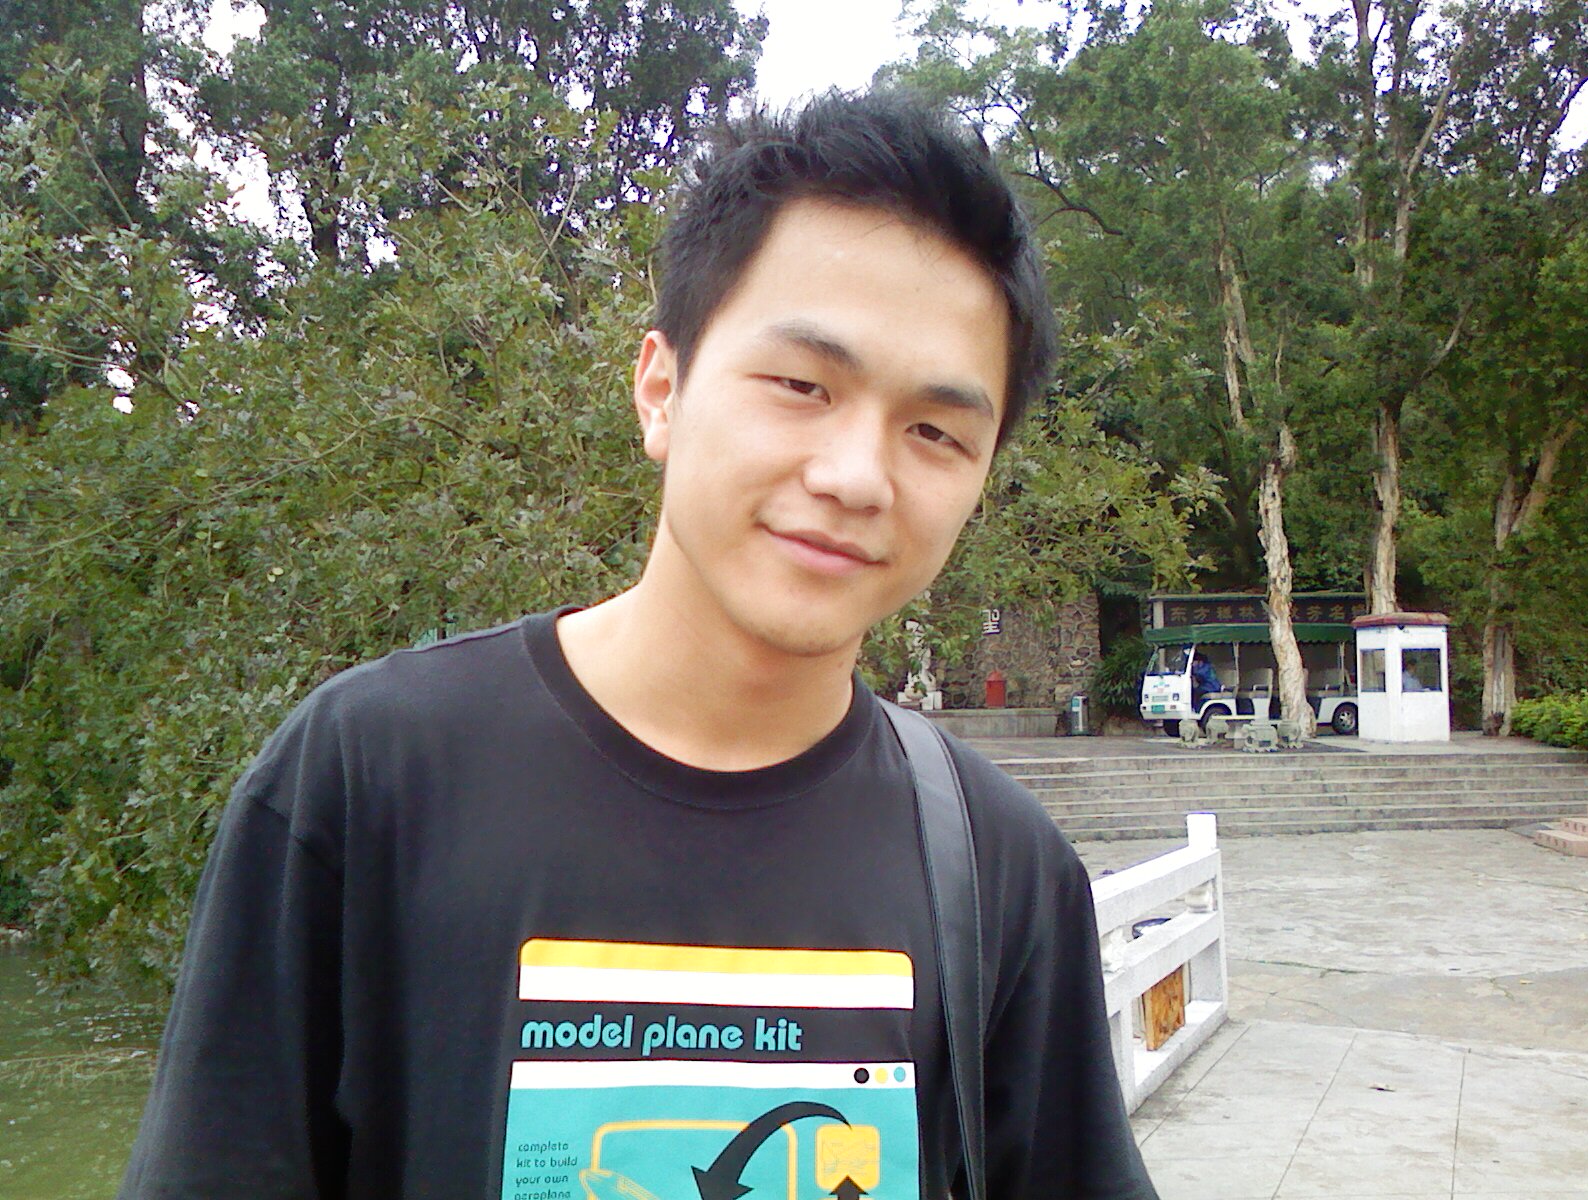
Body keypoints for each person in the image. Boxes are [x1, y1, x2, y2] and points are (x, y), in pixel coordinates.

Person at [119, 91, 1158, 1200]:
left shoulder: (1001, 869)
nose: (858, 476)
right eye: (801, 385)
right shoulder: (368, 779)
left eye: (936, 432)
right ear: (661, 389)